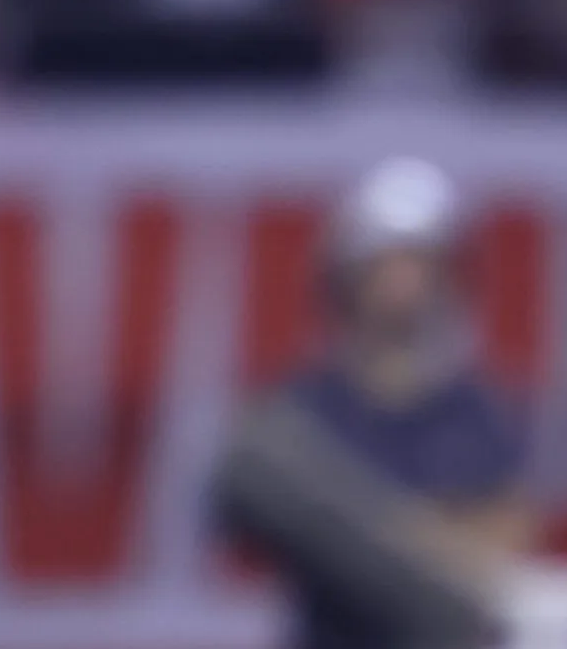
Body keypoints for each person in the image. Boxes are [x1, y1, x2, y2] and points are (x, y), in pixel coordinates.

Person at [220, 157, 533, 649]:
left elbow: (501, 549)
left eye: (420, 261)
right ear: (346, 274)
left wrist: (382, 534)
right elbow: (242, 507)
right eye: (385, 262)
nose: (402, 281)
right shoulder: (304, 411)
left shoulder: (477, 415)